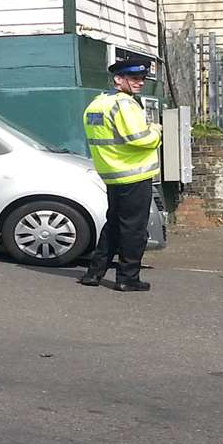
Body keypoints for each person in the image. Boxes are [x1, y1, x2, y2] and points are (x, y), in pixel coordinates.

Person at [79, 56, 162, 292]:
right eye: (134, 78)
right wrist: (156, 131)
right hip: (133, 175)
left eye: (142, 78)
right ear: (119, 79)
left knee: (114, 224)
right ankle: (127, 277)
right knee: (134, 230)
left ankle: (94, 273)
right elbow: (139, 138)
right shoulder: (125, 104)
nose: (140, 83)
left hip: (111, 173)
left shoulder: (98, 103)